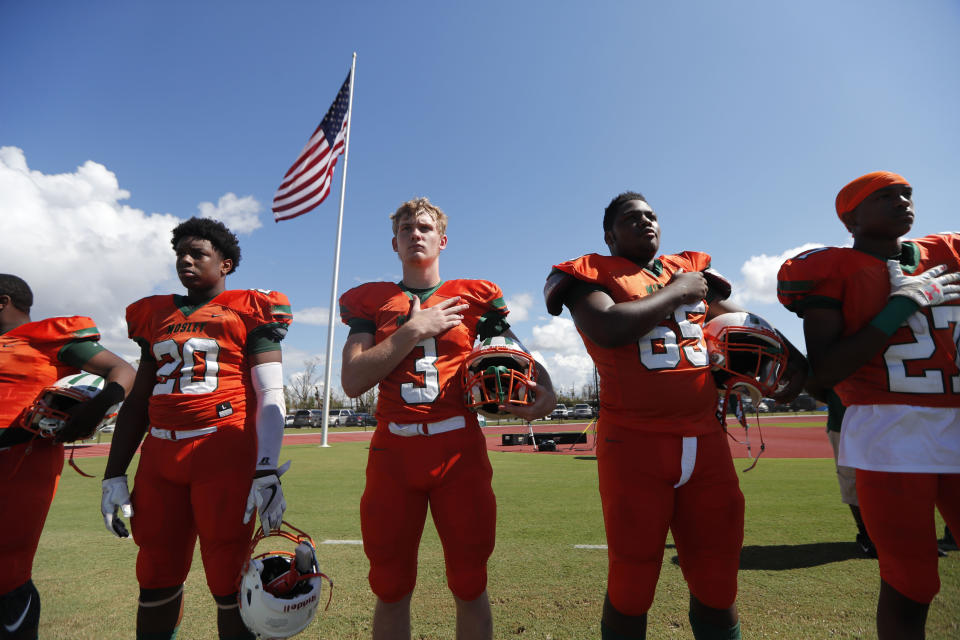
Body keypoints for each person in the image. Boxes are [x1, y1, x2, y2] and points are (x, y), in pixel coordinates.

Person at [543, 191, 807, 640]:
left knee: (718, 578)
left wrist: (791, 363)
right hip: (633, 445)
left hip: (706, 444)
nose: (646, 222)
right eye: (631, 218)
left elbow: (742, 320)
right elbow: (609, 329)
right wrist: (677, 291)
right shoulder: (592, 276)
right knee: (632, 580)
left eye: (651, 215)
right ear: (609, 235)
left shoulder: (689, 272)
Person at [339, 197, 557, 640]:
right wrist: (414, 329)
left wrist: (547, 391)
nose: (415, 234)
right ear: (394, 243)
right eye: (405, 229)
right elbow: (352, 380)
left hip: (458, 449)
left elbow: (520, 356)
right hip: (393, 452)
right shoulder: (372, 301)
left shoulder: (474, 297)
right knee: (391, 585)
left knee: (470, 581)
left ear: (442, 239)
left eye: (423, 227)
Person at [777, 171, 960, 640]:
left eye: (907, 193)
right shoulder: (832, 268)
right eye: (886, 196)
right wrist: (898, 308)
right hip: (890, 430)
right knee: (912, 579)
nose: (902, 200)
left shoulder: (950, 252)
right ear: (852, 216)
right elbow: (823, 375)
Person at [100, 218, 293, 640]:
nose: (185, 260)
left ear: (225, 264)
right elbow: (139, 401)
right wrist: (115, 470)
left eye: (197, 253)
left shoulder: (249, 307)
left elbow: (270, 394)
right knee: (155, 573)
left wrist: (265, 466)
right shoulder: (154, 313)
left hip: (221, 451)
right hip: (161, 455)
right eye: (180, 254)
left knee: (227, 577)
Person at [0, 274, 135, 640]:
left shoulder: (44, 337)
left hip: (19, 460)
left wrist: (94, 410)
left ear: (3, 302)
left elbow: (122, 370)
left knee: (7, 572)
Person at [803, 379, 877, 557]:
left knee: (901, 477)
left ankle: (912, 535)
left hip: (884, 418)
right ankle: (866, 535)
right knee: (850, 480)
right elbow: (813, 382)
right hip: (843, 422)